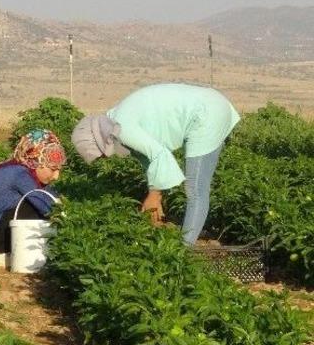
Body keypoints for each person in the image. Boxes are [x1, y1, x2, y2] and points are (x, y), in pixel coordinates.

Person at [71, 83, 240, 245]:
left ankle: (184, 251)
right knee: (195, 188)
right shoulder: (115, 120)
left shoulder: (123, 127)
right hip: (210, 104)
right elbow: (150, 161)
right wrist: (156, 196)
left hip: (206, 113)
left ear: (98, 140)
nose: (104, 158)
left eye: (100, 154)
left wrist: (154, 196)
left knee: (196, 188)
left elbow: (160, 155)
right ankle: (185, 243)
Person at [0, 129, 66, 262]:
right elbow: (50, 207)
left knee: (36, 200)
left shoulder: (15, 168)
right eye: (53, 169)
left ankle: (1, 251)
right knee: (35, 207)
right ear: (36, 162)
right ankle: (3, 253)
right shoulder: (19, 175)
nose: (56, 176)